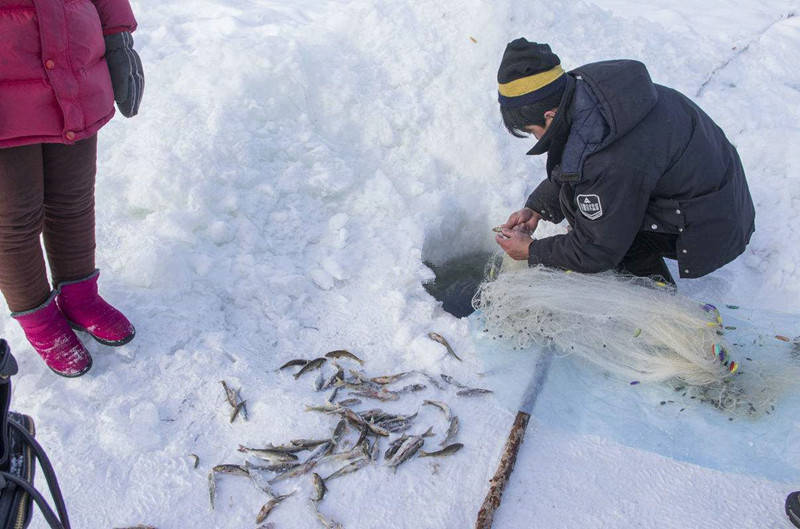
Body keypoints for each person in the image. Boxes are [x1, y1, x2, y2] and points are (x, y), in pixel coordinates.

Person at [494, 39, 755, 285]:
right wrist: (538, 208)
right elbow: (577, 161)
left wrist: (532, 250)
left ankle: (654, 298)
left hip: (713, 225)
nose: (535, 137)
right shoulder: (587, 94)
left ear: (550, 116)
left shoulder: (608, 156)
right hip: (719, 194)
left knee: (602, 225)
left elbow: (596, 249)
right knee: (591, 207)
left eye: (531, 130)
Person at [0, 0, 145, 377]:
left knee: (74, 198)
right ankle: (40, 321)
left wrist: (118, 37)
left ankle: (81, 296)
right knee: (13, 220)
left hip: (73, 65)